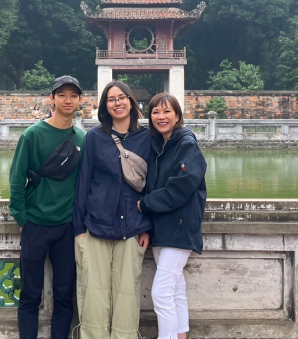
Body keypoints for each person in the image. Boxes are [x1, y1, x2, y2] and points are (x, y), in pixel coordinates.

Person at [9, 76, 86, 339]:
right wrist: (22, 218)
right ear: (51, 98)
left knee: (65, 296)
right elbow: (17, 178)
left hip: (67, 226)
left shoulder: (83, 139)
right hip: (36, 225)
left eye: (73, 95)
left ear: (79, 101)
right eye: (61, 94)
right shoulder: (32, 135)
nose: (67, 100)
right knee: (30, 294)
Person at [73, 81, 152, 339]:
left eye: (122, 97)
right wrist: (79, 228)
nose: (117, 103)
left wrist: (146, 226)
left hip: (132, 227)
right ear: (105, 106)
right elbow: (84, 182)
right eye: (111, 99)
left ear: (131, 101)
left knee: (127, 295)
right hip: (96, 225)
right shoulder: (95, 137)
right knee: (93, 293)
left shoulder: (147, 138)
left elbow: (152, 186)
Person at [137, 93, 207, 339]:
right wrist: (146, 225)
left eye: (167, 111)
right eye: (155, 112)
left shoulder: (186, 144)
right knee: (176, 289)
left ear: (177, 116)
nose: (161, 117)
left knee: (162, 293)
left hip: (179, 228)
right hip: (161, 229)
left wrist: (144, 205)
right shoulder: (158, 146)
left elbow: (180, 188)